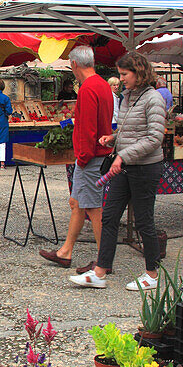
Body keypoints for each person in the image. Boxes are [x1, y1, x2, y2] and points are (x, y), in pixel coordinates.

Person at [69, 52, 166, 291]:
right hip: (124, 166)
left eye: (124, 74)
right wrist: (113, 140)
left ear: (139, 72)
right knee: (110, 216)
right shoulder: (127, 97)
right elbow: (132, 132)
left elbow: (154, 138)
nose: (121, 79)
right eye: (120, 74)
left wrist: (123, 154)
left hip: (145, 168)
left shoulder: (153, 99)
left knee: (144, 221)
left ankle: (152, 274)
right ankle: (100, 272)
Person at [39, 46, 113, 268]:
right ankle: (65, 251)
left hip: (91, 157)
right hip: (95, 155)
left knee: (93, 208)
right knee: (77, 203)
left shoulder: (88, 88)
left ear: (74, 64)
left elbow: (89, 128)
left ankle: (103, 261)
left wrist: (82, 157)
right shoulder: (102, 85)